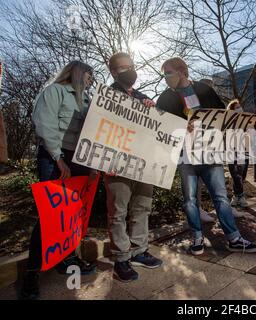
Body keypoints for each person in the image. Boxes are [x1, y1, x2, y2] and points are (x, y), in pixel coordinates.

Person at [156, 57, 256, 255]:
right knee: (190, 199)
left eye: (168, 72)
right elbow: (160, 124)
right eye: (164, 74)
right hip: (185, 156)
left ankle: (234, 238)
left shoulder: (205, 90)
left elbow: (223, 116)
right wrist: (180, 126)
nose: (166, 77)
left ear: (182, 71)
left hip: (210, 152)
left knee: (220, 196)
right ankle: (197, 237)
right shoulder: (165, 98)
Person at [21, 61, 97, 300]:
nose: (90, 79)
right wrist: (58, 159)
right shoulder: (54, 91)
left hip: (80, 158)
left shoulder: (88, 100)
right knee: (51, 214)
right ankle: (31, 273)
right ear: (76, 73)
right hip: (55, 156)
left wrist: (93, 163)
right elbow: (45, 125)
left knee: (73, 213)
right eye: (88, 75)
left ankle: (67, 259)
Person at [104, 53, 163, 283]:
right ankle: (121, 259)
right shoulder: (107, 96)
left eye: (131, 66)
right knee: (118, 212)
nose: (128, 70)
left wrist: (152, 110)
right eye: (122, 68)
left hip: (143, 162)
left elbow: (154, 130)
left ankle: (139, 251)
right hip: (117, 164)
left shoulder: (143, 97)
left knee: (142, 208)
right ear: (113, 72)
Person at [227, 99, 250, 208]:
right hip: (231, 151)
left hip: (243, 150)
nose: (239, 108)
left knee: (242, 174)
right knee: (235, 174)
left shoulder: (246, 121)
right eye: (237, 107)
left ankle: (236, 196)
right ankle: (240, 196)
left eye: (240, 106)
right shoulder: (227, 122)